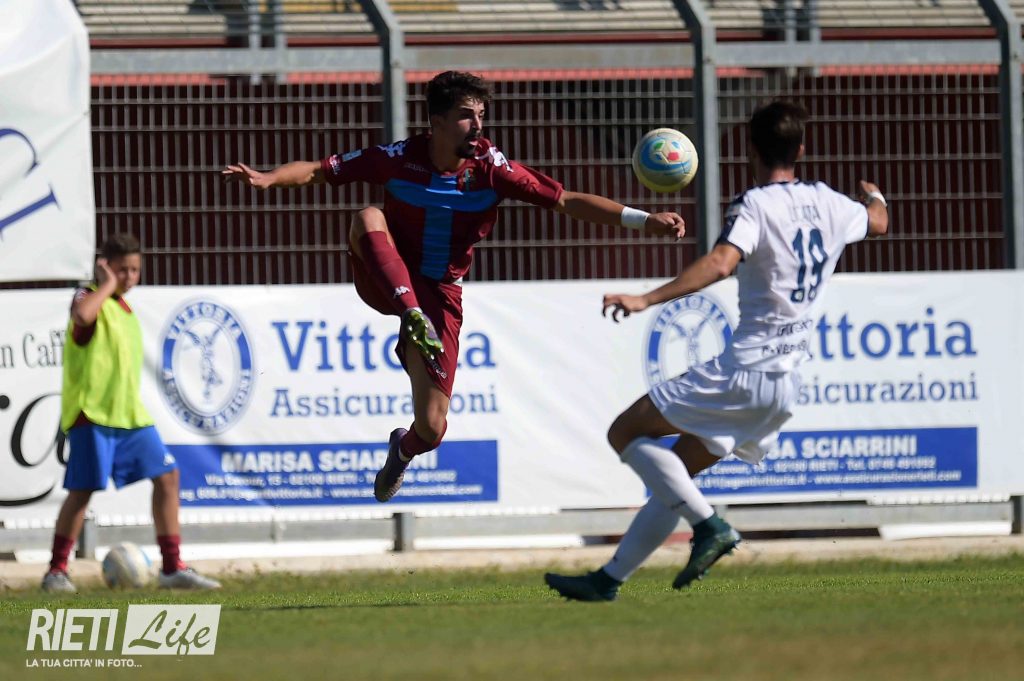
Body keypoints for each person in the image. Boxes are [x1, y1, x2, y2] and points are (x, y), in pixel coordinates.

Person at [222, 70, 685, 503]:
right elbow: (319, 170)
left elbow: (566, 200)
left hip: (441, 294)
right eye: (466, 115)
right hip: (387, 278)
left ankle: (402, 449)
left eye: (481, 114)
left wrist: (644, 220)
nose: (477, 125)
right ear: (437, 121)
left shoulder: (492, 170)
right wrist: (268, 178)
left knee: (431, 427)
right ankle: (411, 314)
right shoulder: (398, 159)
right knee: (367, 216)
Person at [544, 100, 889, 601]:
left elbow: (722, 262)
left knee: (625, 432)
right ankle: (608, 580)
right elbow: (877, 222)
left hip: (745, 370)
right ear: (801, 149)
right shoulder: (833, 203)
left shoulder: (755, 205)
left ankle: (710, 526)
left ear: (750, 149)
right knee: (675, 477)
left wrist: (645, 298)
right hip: (786, 384)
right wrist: (875, 195)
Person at [42, 234, 221, 592]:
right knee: (82, 491)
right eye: (121, 269)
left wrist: (113, 287)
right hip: (92, 415)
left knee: (168, 476)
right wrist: (106, 285)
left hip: (130, 417)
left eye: (135, 270)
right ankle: (56, 572)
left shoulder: (125, 310)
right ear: (105, 266)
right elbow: (83, 315)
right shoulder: (89, 298)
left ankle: (171, 567)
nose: (129, 277)